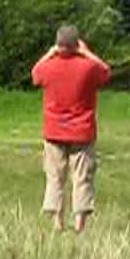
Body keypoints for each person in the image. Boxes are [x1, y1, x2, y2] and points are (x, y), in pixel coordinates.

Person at [31, 25, 111, 233]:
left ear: (57, 45)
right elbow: (105, 72)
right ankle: (79, 223)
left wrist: (49, 54)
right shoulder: (87, 67)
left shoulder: (48, 67)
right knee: (82, 175)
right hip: (82, 129)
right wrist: (87, 53)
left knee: (55, 175)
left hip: (54, 129)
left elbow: (34, 74)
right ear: (77, 45)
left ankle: (57, 220)